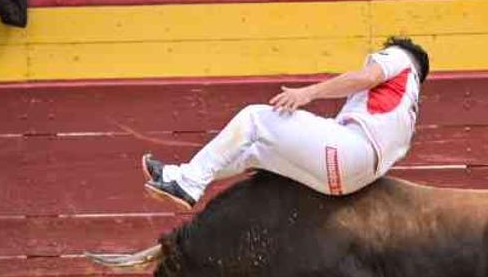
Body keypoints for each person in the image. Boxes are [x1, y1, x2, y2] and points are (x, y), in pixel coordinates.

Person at [143, 36, 429, 210]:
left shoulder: (401, 58)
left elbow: (366, 77)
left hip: (349, 152)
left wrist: (307, 93)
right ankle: (176, 177)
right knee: (253, 153)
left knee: (255, 118)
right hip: (346, 182)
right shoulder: (408, 109)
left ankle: (188, 184)